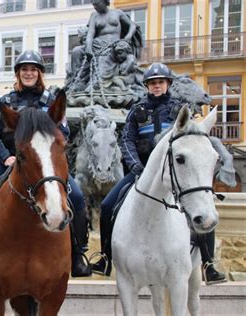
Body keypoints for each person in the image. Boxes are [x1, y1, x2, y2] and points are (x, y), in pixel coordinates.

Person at [0, 50, 92, 277]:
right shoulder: (6, 102)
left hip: (46, 165)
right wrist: (6, 156)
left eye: (33, 69)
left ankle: (78, 255)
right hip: (11, 161)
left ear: (39, 73)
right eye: (24, 70)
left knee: (76, 196)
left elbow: (63, 131)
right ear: (18, 73)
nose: (29, 73)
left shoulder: (51, 101)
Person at [90, 62, 227, 285]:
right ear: (147, 86)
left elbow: (192, 141)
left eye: (160, 82)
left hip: (174, 173)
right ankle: (105, 257)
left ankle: (208, 263)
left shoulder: (180, 110)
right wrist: (134, 165)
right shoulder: (137, 110)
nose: (156, 86)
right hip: (142, 171)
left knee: (200, 207)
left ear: (167, 84)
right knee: (107, 206)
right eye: (152, 83)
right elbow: (127, 140)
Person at [84, 0, 141, 92]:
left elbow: (132, 25)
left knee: (104, 56)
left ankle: (99, 83)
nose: (95, 7)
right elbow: (90, 33)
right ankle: (80, 83)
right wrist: (88, 46)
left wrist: (128, 36)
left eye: (97, 4)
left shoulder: (117, 13)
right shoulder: (94, 15)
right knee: (77, 51)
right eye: (93, 5)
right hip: (97, 43)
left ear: (105, 2)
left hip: (113, 44)